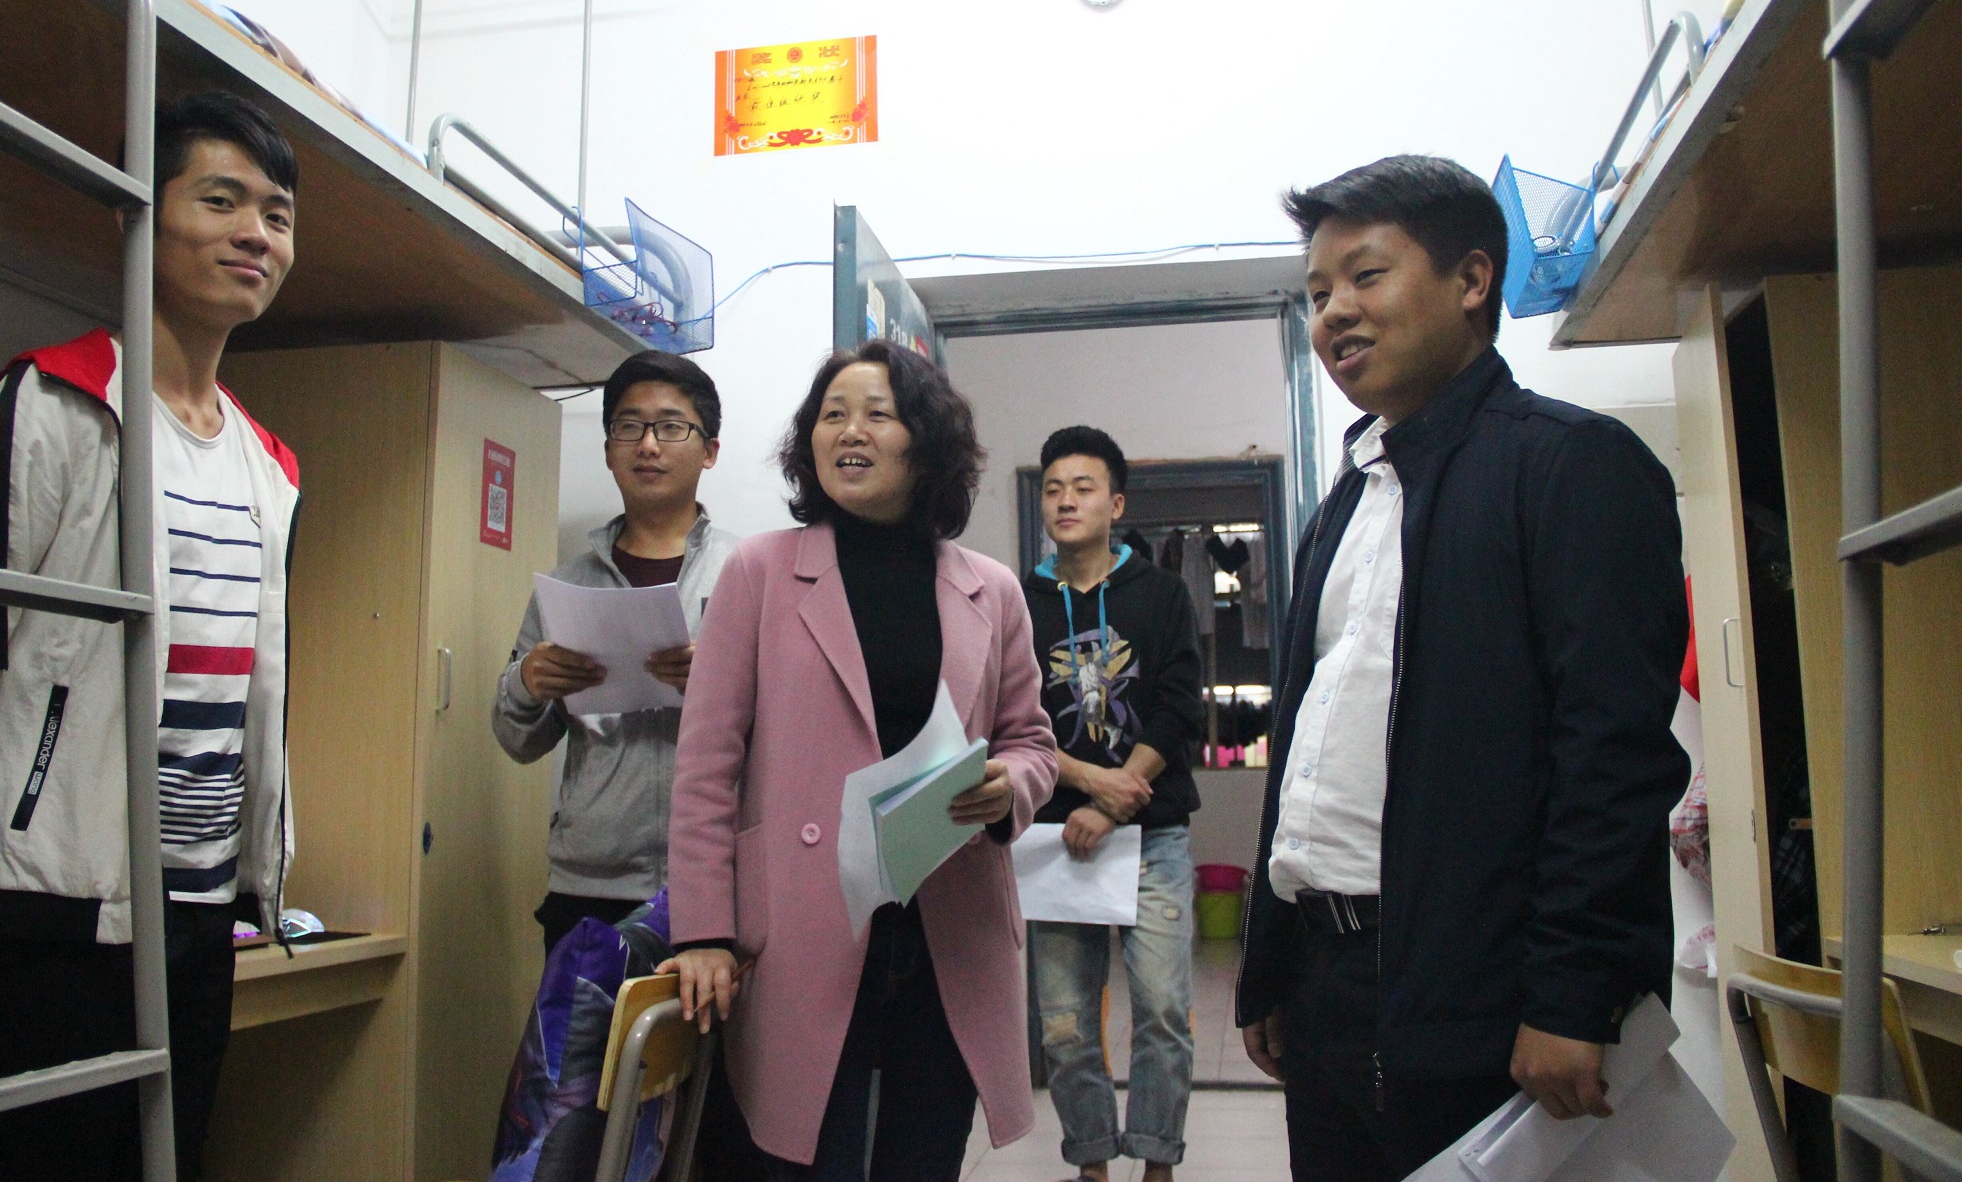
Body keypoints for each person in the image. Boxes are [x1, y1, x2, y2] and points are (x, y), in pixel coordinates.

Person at [1234, 155, 1689, 1182]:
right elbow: (1308, 752)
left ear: (1473, 279)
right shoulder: (1347, 502)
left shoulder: (1570, 465)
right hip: (1324, 980)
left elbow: (1611, 757)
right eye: (1317, 293)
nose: (1333, 312)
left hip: (1480, 988)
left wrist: (1573, 994)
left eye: (1365, 276)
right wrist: (1271, 968)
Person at [0, 91, 302, 1181]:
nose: (255, 234)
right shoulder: (53, 403)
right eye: (221, 201)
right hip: (50, 901)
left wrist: (259, 873)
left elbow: (253, 697)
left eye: (276, 215)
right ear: (142, 214)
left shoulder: (268, 464)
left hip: (198, 907)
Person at [663, 339, 1058, 1181]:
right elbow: (705, 767)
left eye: (878, 413)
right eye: (832, 414)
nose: (850, 430)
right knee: (808, 1154)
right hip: (805, 928)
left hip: (948, 929)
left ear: (927, 442)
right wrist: (703, 931)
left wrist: (1010, 789)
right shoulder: (760, 572)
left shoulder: (991, 588)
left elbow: (1031, 740)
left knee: (923, 1159)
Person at [491, 350, 740, 953]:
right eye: (629, 427)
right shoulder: (567, 585)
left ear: (709, 450)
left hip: (719, 876)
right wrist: (528, 682)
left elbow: (798, 731)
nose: (648, 445)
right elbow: (518, 740)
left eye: (670, 427)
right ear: (608, 450)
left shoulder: (748, 575)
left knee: (714, 1022)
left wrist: (721, 684)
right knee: (584, 1022)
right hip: (588, 884)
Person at [1022, 426, 1203, 1182]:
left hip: (1152, 834)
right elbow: (1009, 719)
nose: (1066, 500)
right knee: (1065, 1024)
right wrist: (1093, 784)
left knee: (1162, 1007)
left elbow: (1180, 705)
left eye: (1083, 487)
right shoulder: (1018, 600)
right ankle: (1092, 1164)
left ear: (1116, 503)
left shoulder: (1160, 594)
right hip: (1054, 837)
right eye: (1053, 489)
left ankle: (1157, 1161)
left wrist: (1119, 796)